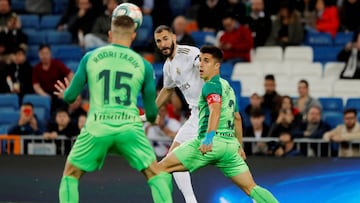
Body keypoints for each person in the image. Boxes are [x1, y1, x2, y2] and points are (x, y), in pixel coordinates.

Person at [54, 15, 172, 203]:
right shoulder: (144, 65)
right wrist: (150, 117)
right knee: (155, 174)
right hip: (129, 129)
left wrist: (65, 94)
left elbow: (70, 97)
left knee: (70, 174)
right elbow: (151, 113)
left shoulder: (90, 57)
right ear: (133, 36)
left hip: (97, 127)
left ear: (110, 34)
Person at [158, 45, 279, 203]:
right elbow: (237, 118)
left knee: (158, 170)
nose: (201, 65)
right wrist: (240, 146)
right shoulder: (228, 87)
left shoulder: (210, 86)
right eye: (200, 60)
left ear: (217, 66)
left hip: (210, 143)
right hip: (229, 147)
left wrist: (208, 138)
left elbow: (214, 110)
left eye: (206, 61)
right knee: (252, 188)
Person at [154, 25, 201, 203]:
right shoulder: (168, 66)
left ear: (174, 37)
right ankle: (191, 201)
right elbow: (167, 90)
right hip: (194, 116)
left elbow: (207, 68)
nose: (163, 43)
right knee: (172, 157)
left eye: (165, 38)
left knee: (228, 163)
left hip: (209, 114)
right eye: (159, 41)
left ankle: (254, 195)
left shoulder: (190, 53)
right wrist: (152, 110)